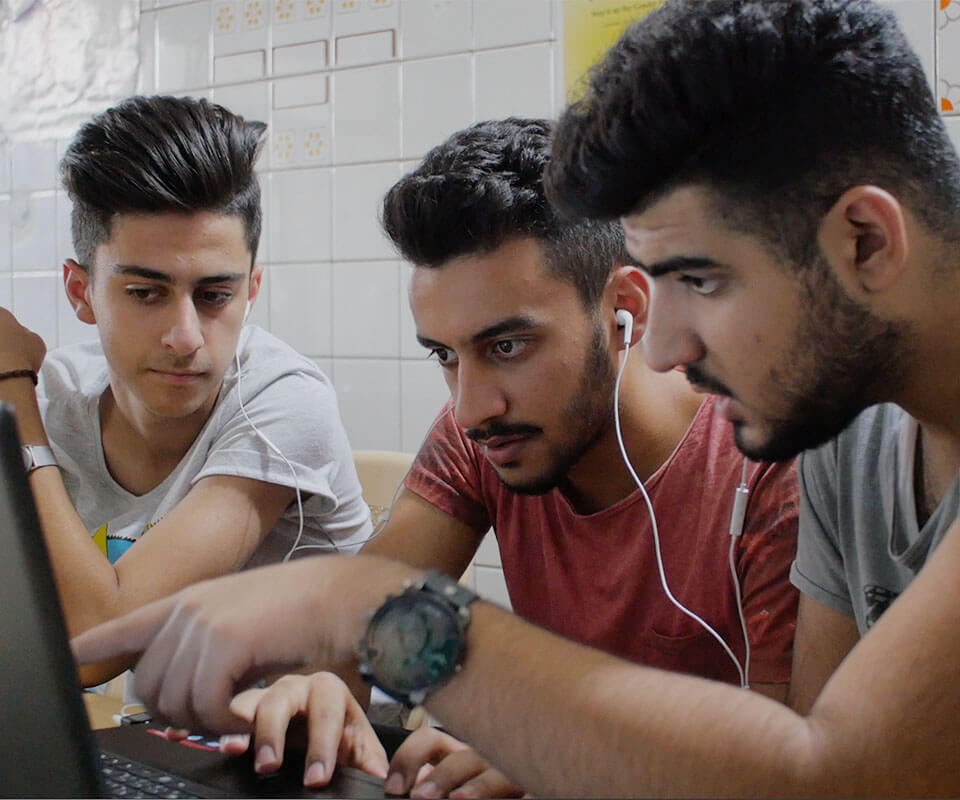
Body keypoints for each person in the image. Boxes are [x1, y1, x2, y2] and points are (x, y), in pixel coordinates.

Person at [73, 0, 960, 794]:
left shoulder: (782, 447)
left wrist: (361, 605)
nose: (666, 345)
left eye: (703, 279)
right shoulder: (853, 438)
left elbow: (823, 777)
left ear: (866, 241)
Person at [218, 117, 800, 795]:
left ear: (626, 310)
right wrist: (313, 687)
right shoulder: (485, 430)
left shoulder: (767, 464)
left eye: (507, 347)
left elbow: (792, 775)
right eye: (444, 355)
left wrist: (567, 761)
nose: (470, 408)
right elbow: (360, 623)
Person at [0, 95, 373, 689]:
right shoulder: (58, 399)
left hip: (302, 766)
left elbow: (96, 643)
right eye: (146, 293)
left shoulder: (284, 400)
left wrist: (9, 392)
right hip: (151, 748)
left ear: (250, 289)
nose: (185, 337)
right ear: (81, 292)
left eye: (215, 296)